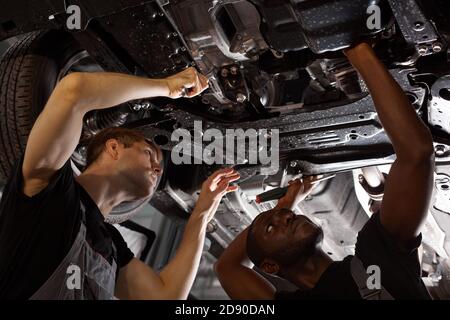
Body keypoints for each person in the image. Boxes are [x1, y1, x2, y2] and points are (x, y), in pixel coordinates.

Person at [215, 42, 435, 300]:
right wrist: (359, 51)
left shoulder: (374, 255)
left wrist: (285, 204)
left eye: (281, 217)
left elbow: (227, 268)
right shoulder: (375, 264)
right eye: (272, 229)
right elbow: (416, 154)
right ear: (270, 267)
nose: (286, 217)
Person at [0, 67, 240, 299]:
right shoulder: (51, 188)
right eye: (149, 153)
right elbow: (74, 90)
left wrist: (201, 215)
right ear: (113, 147)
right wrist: (165, 86)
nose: (158, 168)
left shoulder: (111, 246)